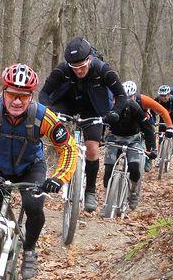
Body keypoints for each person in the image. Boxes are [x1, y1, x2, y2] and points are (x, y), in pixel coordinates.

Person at [0, 63, 77, 280]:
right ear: (3, 91)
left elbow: (68, 147)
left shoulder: (44, 116)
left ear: (31, 96)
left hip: (30, 169)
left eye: (23, 96)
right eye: (12, 94)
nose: (17, 101)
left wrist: (59, 178)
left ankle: (29, 250)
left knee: (33, 206)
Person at [38, 37, 127, 212]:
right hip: (67, 104)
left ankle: (90, 191)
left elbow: (121, 95)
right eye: (74, 67)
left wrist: (114, 112)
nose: (79, 71)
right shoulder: (62, 70)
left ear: (90, 59)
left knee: (92, 148)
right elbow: (44, 93)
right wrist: (48, 109)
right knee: (51, 130)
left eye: (82, 66)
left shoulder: (103, 70)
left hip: (93, 108)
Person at [101, 98, 157, 214]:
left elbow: (147, 128)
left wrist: (151, 148)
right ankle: (107, 202)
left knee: (134, 168)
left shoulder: (134, 107)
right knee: (108, 170)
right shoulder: (108, 105)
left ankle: (134, 191)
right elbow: (101, 122)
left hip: (133, 139)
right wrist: (99, 139)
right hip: (114, 138)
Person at [122, 81, 173, 171]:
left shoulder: (143, 99)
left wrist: (169, 127)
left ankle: (149, 157)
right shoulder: (117, 99)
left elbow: (163, 111)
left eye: (130, 97)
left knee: (151, 131)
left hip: (145, 120)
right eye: (125, 97)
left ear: (135, 95)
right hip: (128, 122)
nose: (128, 100)